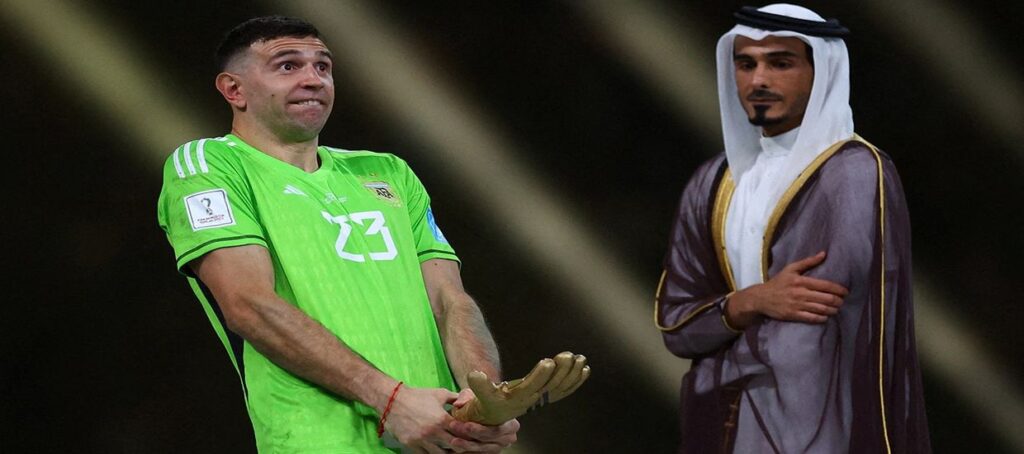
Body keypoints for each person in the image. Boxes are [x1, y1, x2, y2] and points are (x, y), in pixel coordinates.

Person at [157, 16, 520, 453]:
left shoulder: (388, 172)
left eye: (323, 66)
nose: (313, 79)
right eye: (287, 66)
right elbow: (249, 304)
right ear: (234, 90)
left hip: (439, 437)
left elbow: (449, 299)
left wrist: (485, 399)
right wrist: (390, 400)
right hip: (320, 442)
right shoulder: (209, 165)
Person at [654, 4, 930, 453]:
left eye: (780, 63)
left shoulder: (854, 174)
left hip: (823, 426)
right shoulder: (713, 182)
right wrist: (752, 301)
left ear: (821, 71)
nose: (758, 80)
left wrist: (721, 340)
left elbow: (810, 332)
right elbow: (676, 326)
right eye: (746, 64)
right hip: (724, 427)